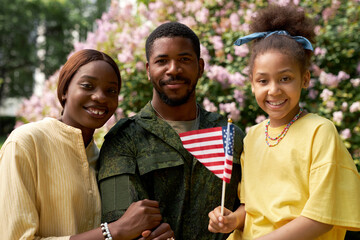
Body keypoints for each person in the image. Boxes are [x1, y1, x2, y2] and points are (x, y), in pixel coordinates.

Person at [208, 4, 360, 240]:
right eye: (263, 81)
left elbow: (320, 218)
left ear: (305, 79)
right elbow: (251, 209)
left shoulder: (319, 131)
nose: (274, 90)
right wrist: (231, 220)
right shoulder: (253, 137)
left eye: (285, 78)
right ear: (252, 83)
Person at [98, 21, 245, 240]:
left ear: (201, 67)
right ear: (149, 70)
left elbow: (254, 206)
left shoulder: (230, 134)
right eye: (162, 61)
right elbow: (118, 223)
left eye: (184, 60)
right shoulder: (124, 138)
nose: (174, 69)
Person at [0, 49, 168, 240]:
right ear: (64, 91)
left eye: (111, 91)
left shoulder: (105, 158)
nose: (100, 97)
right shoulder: (25, 143)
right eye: (88, 86)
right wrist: (113, 231)